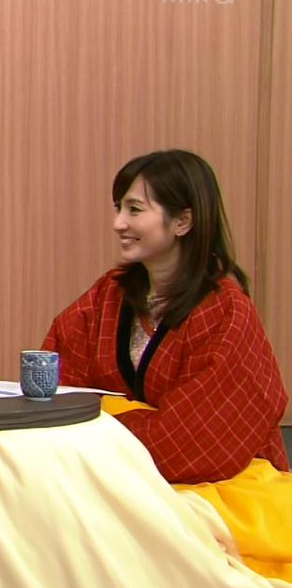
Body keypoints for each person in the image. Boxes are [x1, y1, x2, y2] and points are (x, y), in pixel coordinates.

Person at [44, 149, 289, 484]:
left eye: (134, 210)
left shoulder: (226, 311)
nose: (118, 223)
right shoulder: (107, 295)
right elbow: (56, 385)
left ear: (182, 222)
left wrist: (98, 429)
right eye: (118, 208)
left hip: (214, 483)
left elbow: (194, 440)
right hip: (112, 468)